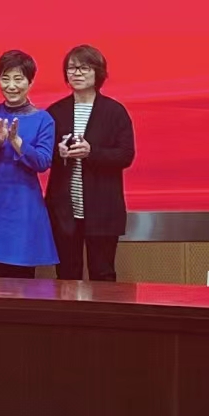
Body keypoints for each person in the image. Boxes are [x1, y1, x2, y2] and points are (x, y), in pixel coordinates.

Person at [45, 45, 136, 282]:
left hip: (103, 208)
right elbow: (43, 155)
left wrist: (91, 152)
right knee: (66, 274)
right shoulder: (55, 111)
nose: (76, 73)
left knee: (102, 273)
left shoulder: (114, 111)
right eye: (71, 68)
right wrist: (59, 153)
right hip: (64, 208)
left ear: (98, 72)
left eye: (84, 68)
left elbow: (126, 155)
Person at [0, 50, 58, 278]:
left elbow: (43, 162)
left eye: (18, 79)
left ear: (30, 82)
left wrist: (17, 142)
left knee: (23, 278)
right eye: (5, 79)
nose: (11, 85)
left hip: (24, 204)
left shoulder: (43, 119)